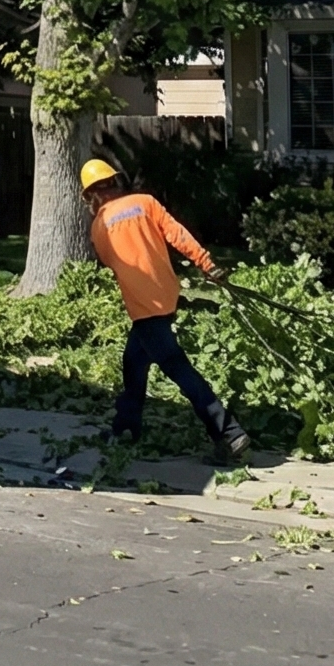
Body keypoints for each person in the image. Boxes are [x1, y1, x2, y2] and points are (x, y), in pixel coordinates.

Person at [80, 159, 250, 460]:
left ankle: (229, 432)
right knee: (133, 363)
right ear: (115, 183)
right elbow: (178, 235)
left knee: (180, 370)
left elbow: (108, 261)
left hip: (144, 309)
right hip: (166, 297)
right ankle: (126, 427)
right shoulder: (145, 203)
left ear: (92, 195)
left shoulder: (99, 227)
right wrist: (207, 265)